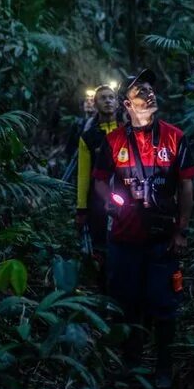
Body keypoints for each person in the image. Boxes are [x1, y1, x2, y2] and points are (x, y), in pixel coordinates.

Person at [93, 69, 194, 389]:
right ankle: (131, 364)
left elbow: (186, 185)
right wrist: (108, 201)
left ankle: (164, 367)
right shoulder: (113, 140)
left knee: (164, 303)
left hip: (163, 239)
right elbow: (98, 178)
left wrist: (181, 231)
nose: (150, 95)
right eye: (142, 93)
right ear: (127, 104)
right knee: (127, 301)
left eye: (151, 91)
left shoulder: (174, 136)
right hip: (124, 237)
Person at [74, 84, 119, 289]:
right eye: (103, 98)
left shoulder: (127, 132)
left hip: (125, 199)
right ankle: (101, 288)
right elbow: (83, 174)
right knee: (99, 244)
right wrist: (81, 208)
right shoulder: (88, 137)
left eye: (111, 97)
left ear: (118, 103)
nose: (108, 100)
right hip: (98, 200)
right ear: (95, 103)